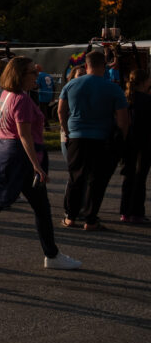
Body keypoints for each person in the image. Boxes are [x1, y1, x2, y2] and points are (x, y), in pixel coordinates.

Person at [0, 57, 81, 270]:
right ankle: (51, 255)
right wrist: (37, 165)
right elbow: (25, 136)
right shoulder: (21, 100)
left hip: (8, 154)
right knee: (30, 206)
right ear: (20, 76)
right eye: (32, 72)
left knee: (3, 203)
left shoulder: (9, 95)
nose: (37, 75)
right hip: (20, 157)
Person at [59, 49, 129, 230]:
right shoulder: (113, 88)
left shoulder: (71, 85)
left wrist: (67, 131)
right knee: (97, 180)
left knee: (76, 178)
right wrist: (122, 136)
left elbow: (61, 111)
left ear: (86, 65)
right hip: (101, 138)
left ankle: (70, 217)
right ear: (103, 65)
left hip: (76, 136)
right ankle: (90, 219)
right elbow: (123, 118)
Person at [119, 69, 151, 224]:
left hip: (128, 142)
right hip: (144, 142)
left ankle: (125, 211)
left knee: (128, 177)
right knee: (140, 178)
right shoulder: (147, 100)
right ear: (145, 82)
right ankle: (137, 212)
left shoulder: (126, 98)